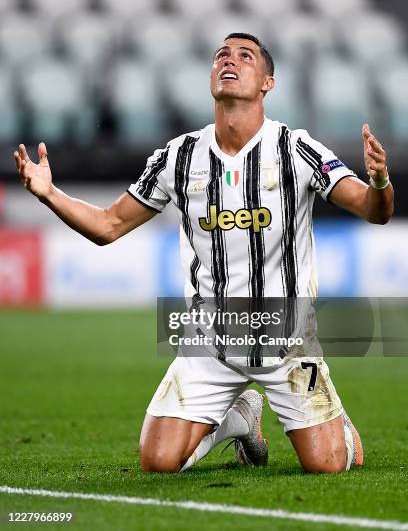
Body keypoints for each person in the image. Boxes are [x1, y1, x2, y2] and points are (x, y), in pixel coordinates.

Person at [14, 33, 393, 474]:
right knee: (157, 462)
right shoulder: (179, 156)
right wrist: (49, 193)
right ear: (212, 76)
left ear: (268, 82)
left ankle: (334, 429)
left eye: (244, 56)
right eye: (221, 56)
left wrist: (381, 181)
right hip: (210, 342)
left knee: (328, 464)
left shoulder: (295, 148)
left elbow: (373, 209)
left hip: (289, 342)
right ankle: (239, 418)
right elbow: (107, 226)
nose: (229, 61)